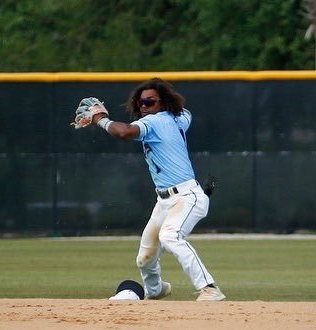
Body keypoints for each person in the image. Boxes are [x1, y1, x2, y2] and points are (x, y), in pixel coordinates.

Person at [75, 78, 226, 301]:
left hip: (187, 197)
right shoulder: (179, 118)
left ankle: (210, 288)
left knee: (170, 235)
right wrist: (163, 94)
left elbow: (124, 132)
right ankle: (155, 290)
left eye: (149, 101)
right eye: (140, 103)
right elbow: (185, 112)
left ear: (163, 103)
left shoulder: (156, 122)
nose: (143, 106)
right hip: (165, 201)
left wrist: (100, 119)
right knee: (145, 257)